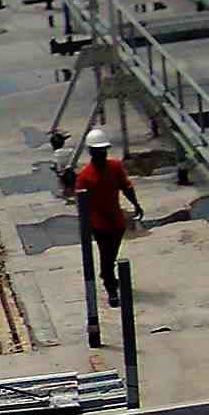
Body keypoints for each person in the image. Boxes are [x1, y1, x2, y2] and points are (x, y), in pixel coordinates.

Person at [74, 126, 141, 302]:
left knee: (111, 253)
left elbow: (126, 187)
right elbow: (82, 204)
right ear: (91, 152)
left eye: (103, 150)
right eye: (98, 151)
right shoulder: (85, 176)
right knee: (106, 254)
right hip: (99, 224)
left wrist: (136, 204)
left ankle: (106, 274)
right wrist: (86, 226)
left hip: (116, 222)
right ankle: (110, 287)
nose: (101, 154)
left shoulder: (115, 167)